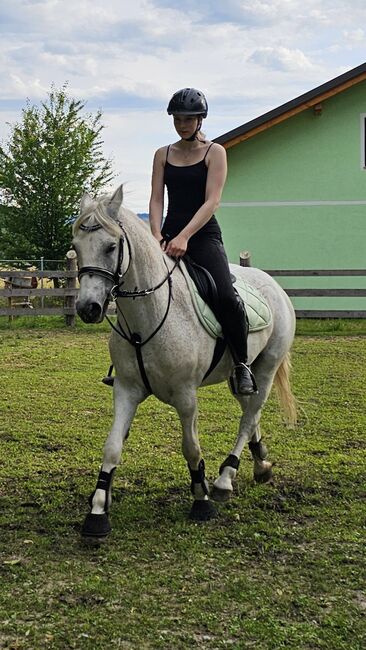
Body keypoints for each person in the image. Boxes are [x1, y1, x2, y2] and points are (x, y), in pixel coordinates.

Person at [148, 87, 257, 395]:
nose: (182, 124)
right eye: (177, 118)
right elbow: (156, 199)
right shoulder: (162, 154)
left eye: (189, 119)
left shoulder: (215, 152)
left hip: (203, 235)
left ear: (200, 120)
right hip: (167, 235)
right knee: (140, 289)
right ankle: (133, 364)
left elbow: (212, 202)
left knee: (224, 295)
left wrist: (185, 236)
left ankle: (242, 364)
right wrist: (156, 235)